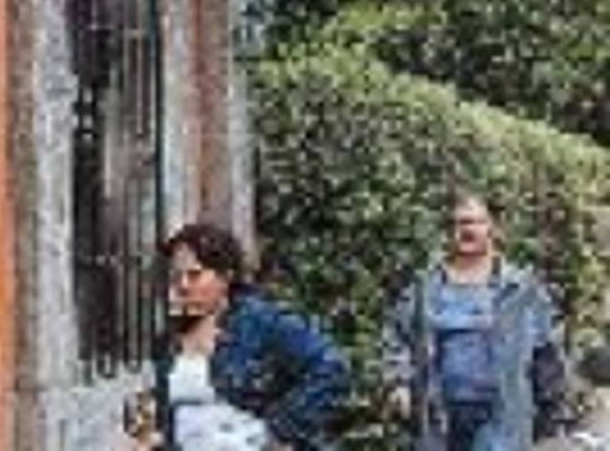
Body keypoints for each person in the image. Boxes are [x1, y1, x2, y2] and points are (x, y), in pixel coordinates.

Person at [131, 222, 349, 450]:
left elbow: (332, 367)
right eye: (176, 277)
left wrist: (277, 432)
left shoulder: (260, 322)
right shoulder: (168, 340)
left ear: (225, 276)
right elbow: (176, 418)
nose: (183, 286)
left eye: (194, 275)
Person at [383, 191, 569, 450]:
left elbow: (547, 353)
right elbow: (397, 337)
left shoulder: (520, 289)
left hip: (503, 423)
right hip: (440, 424)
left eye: (475, 222)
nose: (467, 230)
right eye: (459, 223)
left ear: (492, 227)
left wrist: (551, 414)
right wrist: (399, 384)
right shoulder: (425, 289)